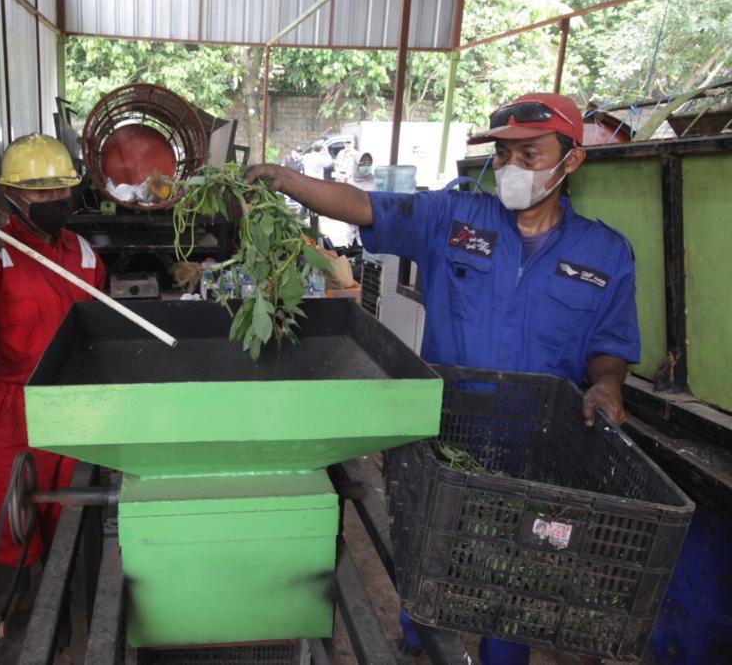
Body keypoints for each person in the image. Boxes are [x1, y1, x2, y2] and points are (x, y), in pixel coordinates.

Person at [248, 93, 639, 665]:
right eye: (502, 154)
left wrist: (608, 383)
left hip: (535, 448)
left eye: (529, 154)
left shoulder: (605, 254)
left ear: (571, 161)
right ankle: (415, 645)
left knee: (514, 581)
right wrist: (285, 178)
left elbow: (610, 347)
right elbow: (363, 205)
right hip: (446, 431)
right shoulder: (453, 218)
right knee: (429, 557)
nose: (510, 168)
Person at [0, 133, 106, 603]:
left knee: (75, 516)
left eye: (60, 190)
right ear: (11, 194)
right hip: (14, 410)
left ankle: (74, 607)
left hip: (76, 408)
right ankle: (12, 616)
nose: (53, 200)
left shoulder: (86, 258)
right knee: (12, 523)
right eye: (39, 192)